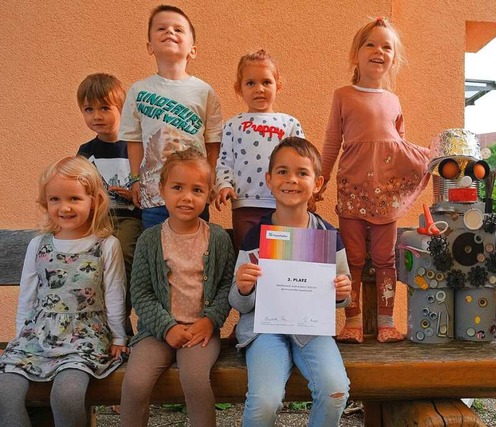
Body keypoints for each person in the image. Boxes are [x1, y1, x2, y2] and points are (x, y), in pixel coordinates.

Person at [318, 17, 431, 343]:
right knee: (351, 259)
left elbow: (403, 149)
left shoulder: (393, 100)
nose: (379, 51)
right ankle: (351, 321)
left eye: (387, 47)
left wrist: (428, 160)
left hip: (387, 196)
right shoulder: (343, 95)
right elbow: (330, 144)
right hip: (352, 190)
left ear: (393, 60)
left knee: (385, 260)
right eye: (371, 44)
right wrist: (320, 182)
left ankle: (386, 323)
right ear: (356, 54)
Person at [230, 137, 351, 426]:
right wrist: (244, 287)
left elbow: (342, 295)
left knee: (335, 390)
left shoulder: (327, 237)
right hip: (264, 330)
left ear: (318, 183)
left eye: (302, 173)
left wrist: (342, 291)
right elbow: (237, 300)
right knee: (265, 400)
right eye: (282, 172)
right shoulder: (256, 236)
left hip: (310, 329)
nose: (292, 180)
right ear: (269, 180)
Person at [0, 156, 127, 427]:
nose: (64, 207)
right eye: (55, 199)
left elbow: (115, 294)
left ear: (93, 200)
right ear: (45, 202)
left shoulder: (105, 245)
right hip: (38, 335)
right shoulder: (38, 244)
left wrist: (118, 337)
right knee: (5, 392)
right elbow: (28, 295)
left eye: (74, 198)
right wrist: (21, 337)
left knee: (67, 395)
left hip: (84, 337)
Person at [120, 148, 235, 426]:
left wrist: (210, 321)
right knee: (134, 384)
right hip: (156, 333)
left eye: (197, 189)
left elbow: (226, 286)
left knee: (195, 382)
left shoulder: (217, 239)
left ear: (208, 194)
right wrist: (166, 327)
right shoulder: (149, 240)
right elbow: (141, 293)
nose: (186, 197)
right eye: (177, 187)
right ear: (162, 190)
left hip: (201, 332)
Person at [119, 4, 223, 230]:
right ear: (149, 47)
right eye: (161, 28)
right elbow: (134, 140)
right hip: (154, 193)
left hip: (194, 192)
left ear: (193, 50)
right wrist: (135, 179)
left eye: (178, 29)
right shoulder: (138, 91)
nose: (170, 32)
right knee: (158, 247)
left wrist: (211, 178)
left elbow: (213, 142)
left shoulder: (204, 91)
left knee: (195, 248)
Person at [215, 49, 305, 248]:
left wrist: (307, 192)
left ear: (278, 85)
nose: (259, 89)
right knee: (249, 255)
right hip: (245, 204)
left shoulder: (289, 123)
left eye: (266, 82)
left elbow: (303, 162)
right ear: (239, 89)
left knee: (283, 256)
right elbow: (224, 161)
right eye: (250, 83)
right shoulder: (232, 125)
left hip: (283, 203)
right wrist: (224, 185)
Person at [76, 72, 143, 336]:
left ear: (122, 109)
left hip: (130, 218)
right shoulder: (86, 151)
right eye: (89, 109)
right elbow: (79, 190)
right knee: (93, 263)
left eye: (104, 108)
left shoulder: (135, 147)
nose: (97, 116)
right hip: (99, 221)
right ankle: (100, 324)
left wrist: (133, 194)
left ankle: (121, 321)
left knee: (122, 254)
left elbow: (151, 186)